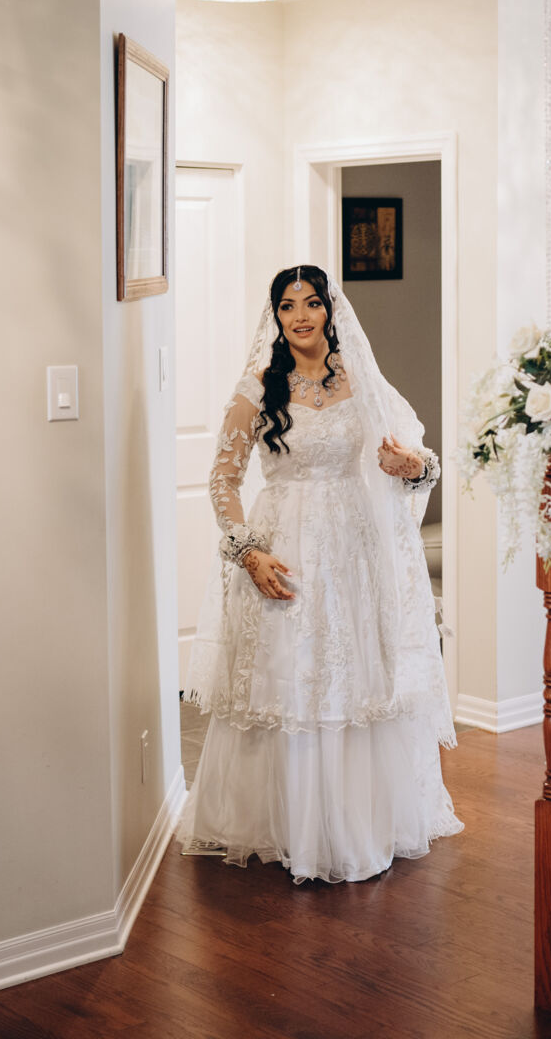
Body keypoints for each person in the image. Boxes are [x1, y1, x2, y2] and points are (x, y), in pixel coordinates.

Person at [182, 264, 461, 883]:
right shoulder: (258, 389)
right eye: (287, 306)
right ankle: (281, 825)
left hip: (351, 553)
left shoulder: (361, 379)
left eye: (311, 303)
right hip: (282, 546)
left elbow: (421, 464)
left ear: (331, 310)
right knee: (284, 674)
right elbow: (222, 480)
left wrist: (409, 465)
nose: (300, 316)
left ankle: (353, 824)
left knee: (349, 677)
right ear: (275, 316)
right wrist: (247, 552)